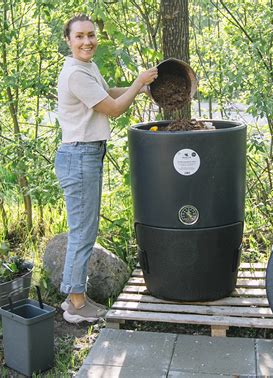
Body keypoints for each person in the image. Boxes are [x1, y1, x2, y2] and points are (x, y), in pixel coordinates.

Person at [55, 14, 158, 323]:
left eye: (91, 35)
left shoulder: (87, 67)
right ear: (68, 40)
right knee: (82, 232)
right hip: (79, 156)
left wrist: (136, 88)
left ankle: (75, 298)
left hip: (87, 154)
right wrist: (139, 81)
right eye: (80, 37)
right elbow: (113, 109)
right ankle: (75, 303)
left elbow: (108, 92)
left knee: (84, 229)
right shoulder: (74, 73)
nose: (87, 41)